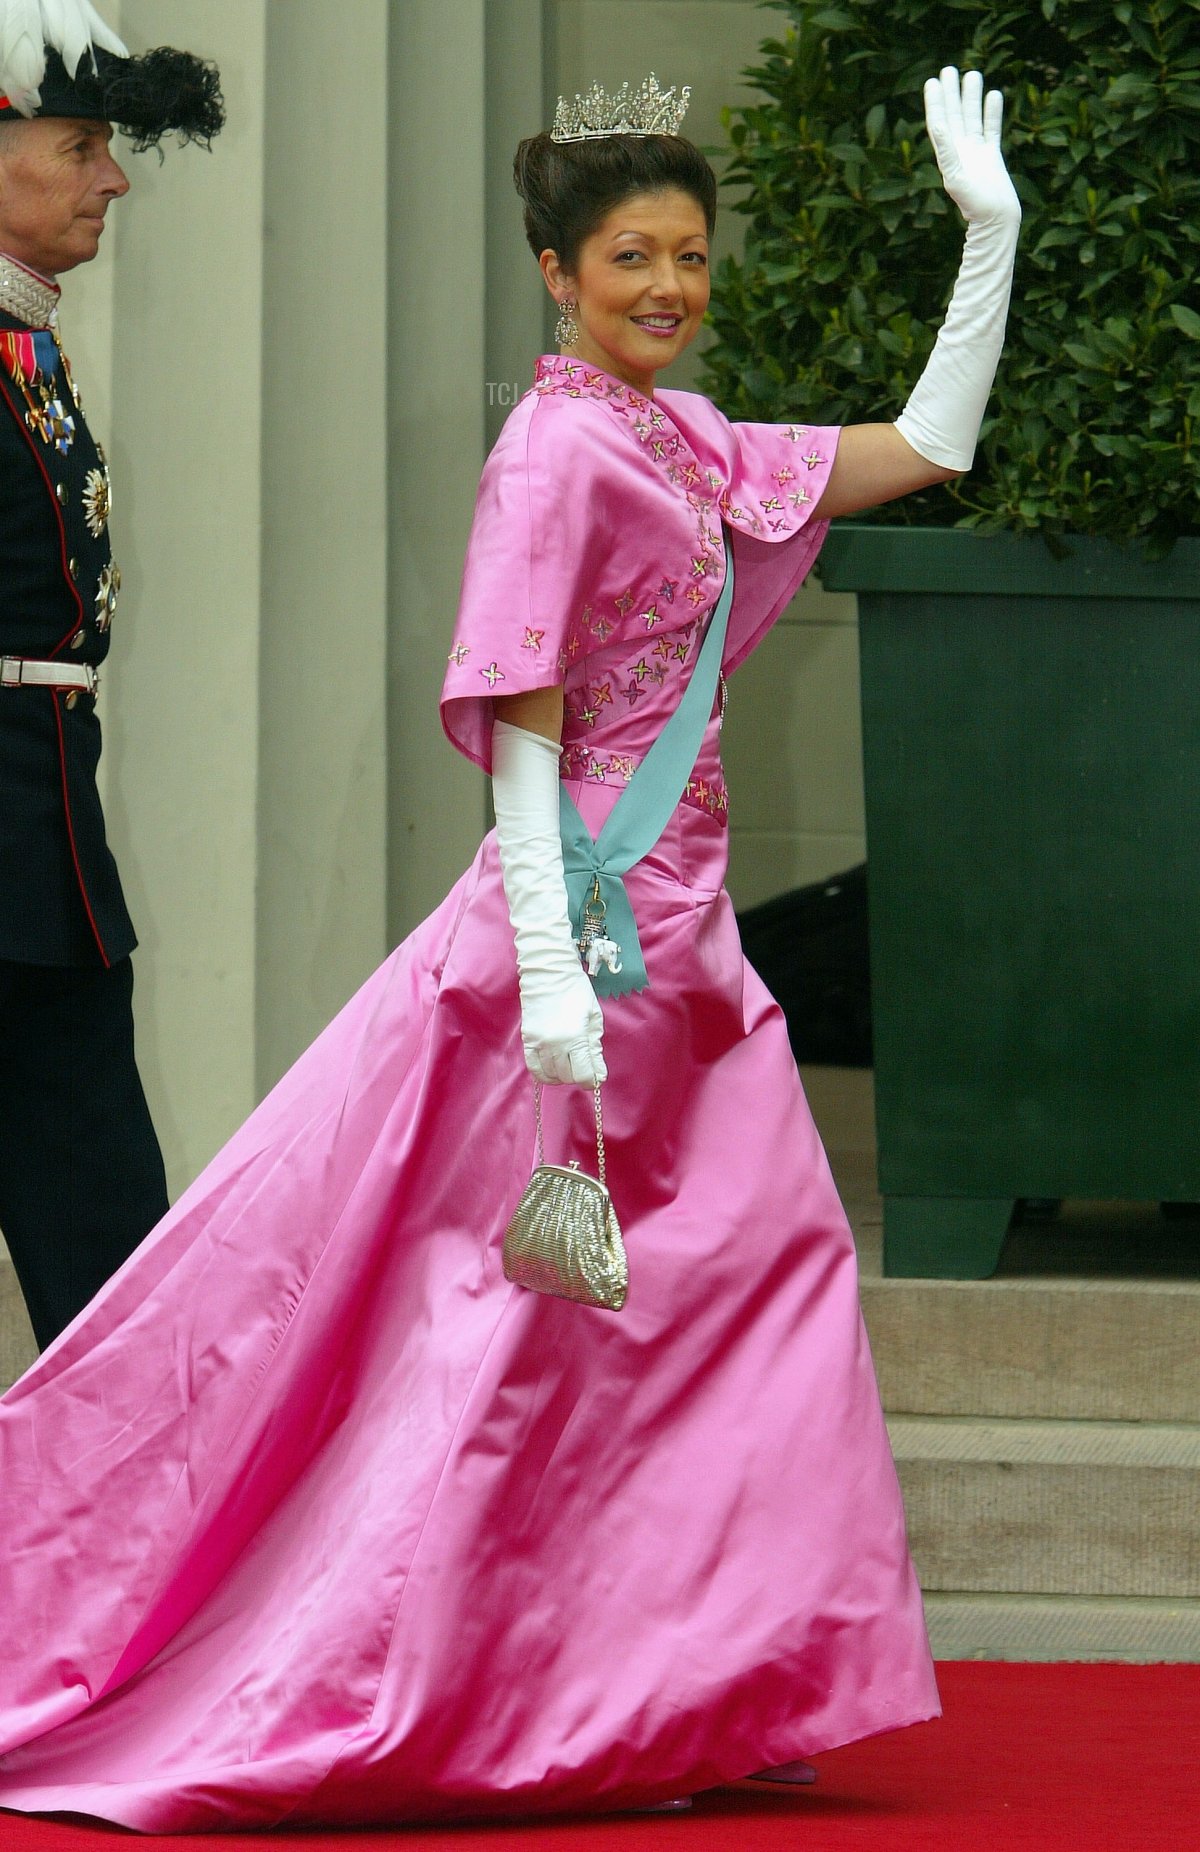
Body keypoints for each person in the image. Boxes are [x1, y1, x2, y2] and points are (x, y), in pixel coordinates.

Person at [0, 66, 1020, 1830]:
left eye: (691, 256)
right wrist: (554, 982)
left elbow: (919, 452)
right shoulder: (550, 449)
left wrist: (990, 241)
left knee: (744, 1316)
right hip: (584, 959)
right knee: (508, 1344)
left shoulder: (681, 437)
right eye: (633, 256)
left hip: (690, 962)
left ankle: (694, 1673)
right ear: (558, 271)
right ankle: (464, 1684)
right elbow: (531, 754)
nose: (669, 288)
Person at [0, 2, 224, 1349]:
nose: (114, 176)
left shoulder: (28, 346)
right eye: (82, 144)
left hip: (44, 863)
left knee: (111, 1267)